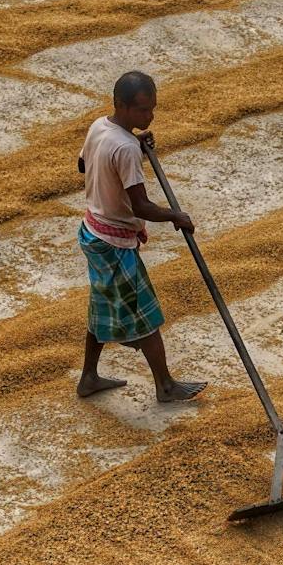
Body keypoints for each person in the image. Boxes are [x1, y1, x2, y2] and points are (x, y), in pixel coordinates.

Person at [75, 71, 205, 402]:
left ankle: (88, 377)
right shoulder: (126, 147)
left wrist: (137, 147)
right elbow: (141, 205)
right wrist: (174, 216)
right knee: (145, 316)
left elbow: (83, 164)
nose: (149, 117)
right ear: (122, 105)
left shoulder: (99, 127)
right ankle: (165, 386)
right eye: (142, 110)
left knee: (100, 307)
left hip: (93, 231)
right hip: (115, 244)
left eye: (152, 109)